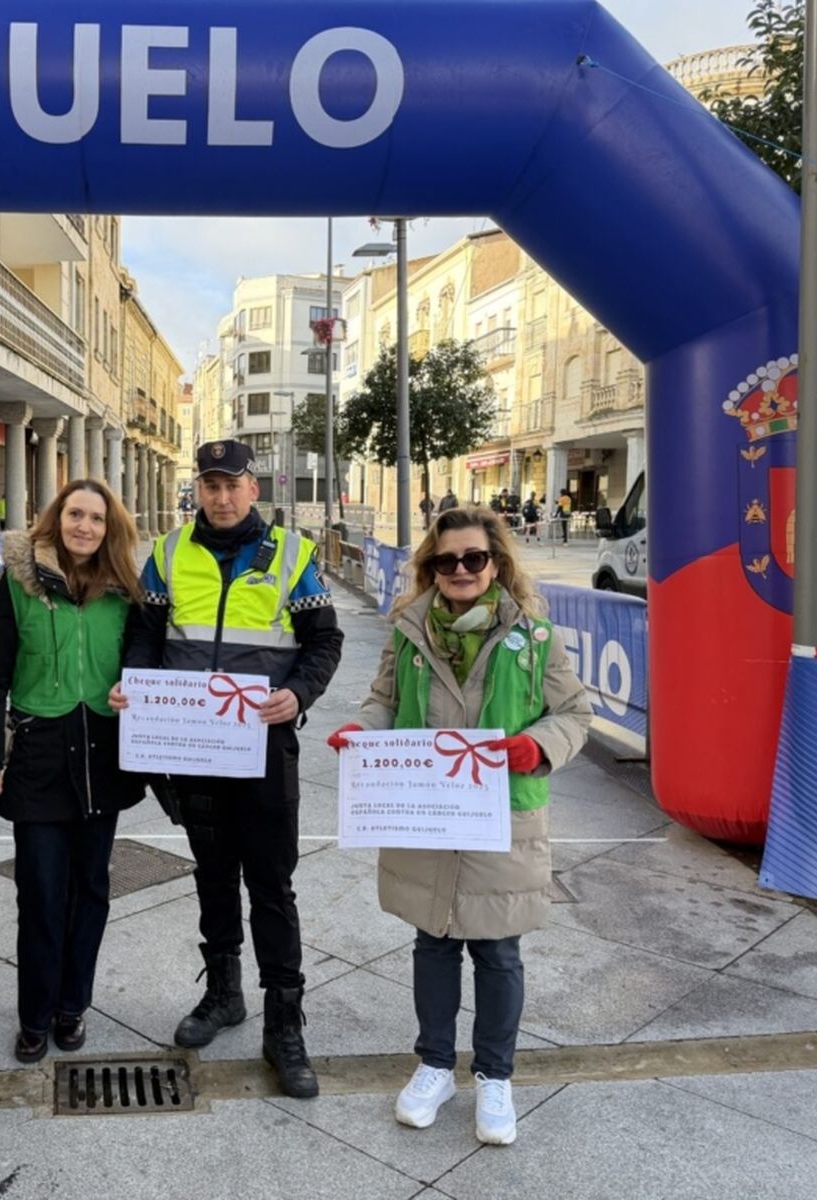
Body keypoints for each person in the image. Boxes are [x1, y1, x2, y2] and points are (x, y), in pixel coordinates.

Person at [327, 505, 591, 1145]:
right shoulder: (408, 632)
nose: (461, 569)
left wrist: (538, 745)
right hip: (425, 811)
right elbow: (384, 701)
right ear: (431, 567)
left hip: (502, 815)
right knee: (434, 941)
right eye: (447, 560)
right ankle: (436, 1065)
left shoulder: (535, 637)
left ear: (495, 562)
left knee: (498, 950)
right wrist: (361, 732)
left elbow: (574, 714)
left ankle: (495, 1076)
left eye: (474, 557)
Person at [113, 439, 344, 1099]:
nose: (220, 497)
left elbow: (324, 640)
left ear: (253, 489)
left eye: (231, 485)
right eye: (210, 485)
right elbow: (144, 633)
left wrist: (298, 694)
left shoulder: (292, 554)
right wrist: (138, 686)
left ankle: (284, 1024)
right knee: (212, 874)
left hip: (262, 747)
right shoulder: (167, 553)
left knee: (271, 885)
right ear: (199, 489)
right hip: (192, 748)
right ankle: (223, 994)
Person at [0, 480, 145, 1063]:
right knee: (41, 893)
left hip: (101, 752)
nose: (84, 527)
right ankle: (35, 1014)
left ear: (109, 528)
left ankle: (73, 1006)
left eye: (96, 518)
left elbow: (143, 654)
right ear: (56, 519)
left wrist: (133, 684)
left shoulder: (125, 589)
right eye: (75, 514)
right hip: (39, 753)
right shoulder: (18, 585)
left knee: (91, 889)